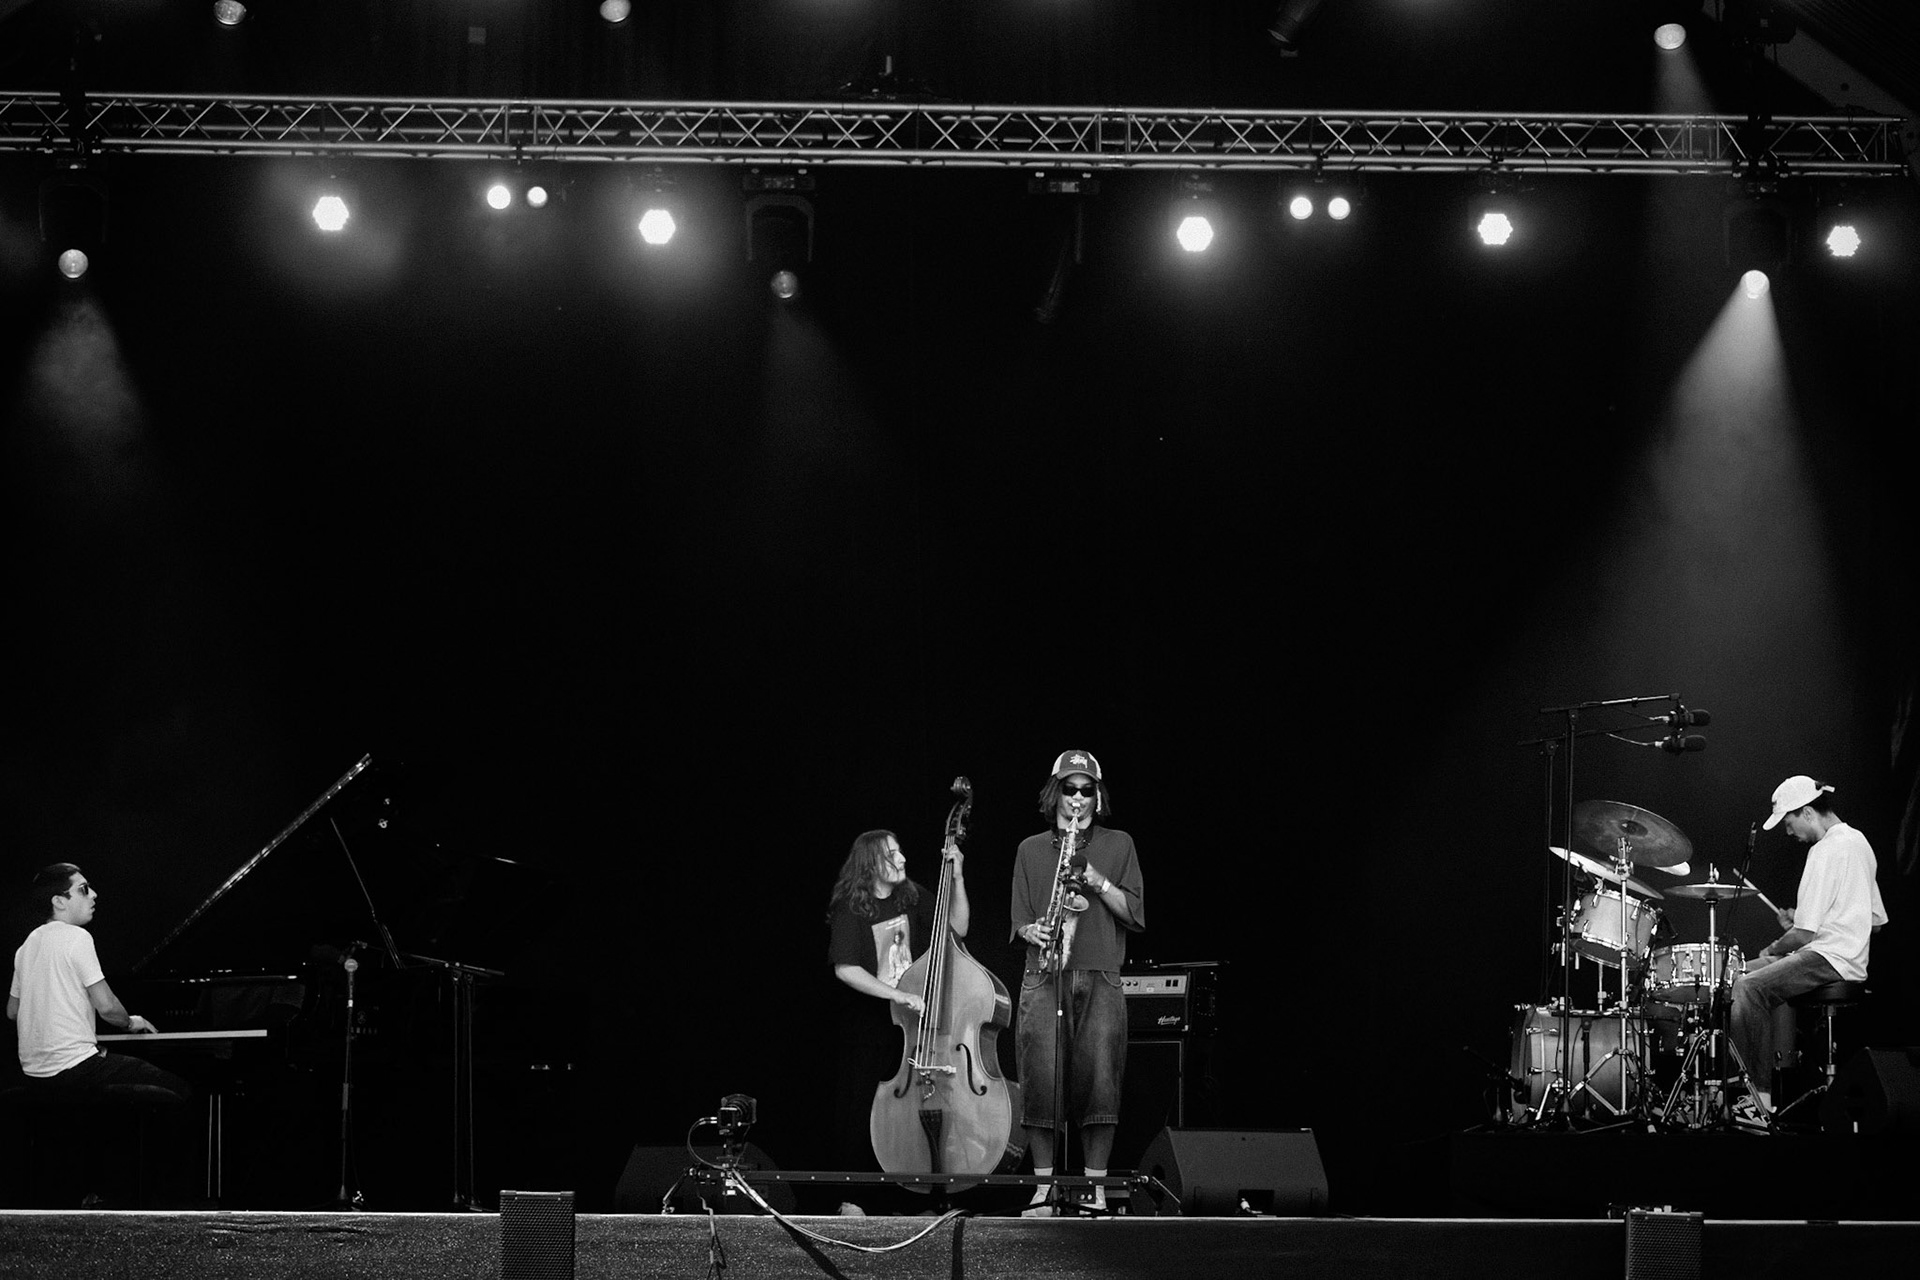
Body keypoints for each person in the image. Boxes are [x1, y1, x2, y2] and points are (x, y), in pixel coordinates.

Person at [1010, 749, 1144, 1215]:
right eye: (1069, 789)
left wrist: (1096, 880)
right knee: (1040, 1078)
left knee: (1101, 1081)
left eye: (1087, 790)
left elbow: (1134, 914)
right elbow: (1020, 921)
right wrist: (1033, 930)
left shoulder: (1119, 843)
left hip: (1101, 972)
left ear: (1097, 796)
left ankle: (1095, 1190)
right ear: (1055, 794)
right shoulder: (1029, 849)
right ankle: (1044, 1187)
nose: (1078, 798)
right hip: (1044, 973)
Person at [1729, 777, 1888, 1125]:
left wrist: (1774, 945)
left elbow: (1803, 934)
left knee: (1743, 985)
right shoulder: (1860, 842)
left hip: (1829, 959)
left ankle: (1756, 1099)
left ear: (1806, 812)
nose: (1789, 832)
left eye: (1789, 823)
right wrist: (1805, 925)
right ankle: (1752, 1089)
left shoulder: (1825, 849)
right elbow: (1873, 922)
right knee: (1740, 972)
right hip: (1845, 957)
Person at [825, 829, 968, 1214]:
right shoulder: (851, 907)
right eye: (892, 854)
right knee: (862, 1111)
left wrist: (956, 877)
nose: (902, 859)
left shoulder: (912, 895)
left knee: (911, 1112)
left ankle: (914, 1197)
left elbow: (957, 929)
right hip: (868, 1027)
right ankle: (853, 1198)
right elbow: (845, 968)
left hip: (909, 1028)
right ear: (871, 864)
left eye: (900, 851)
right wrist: (898, 994)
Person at [8, 863, 185, 1102]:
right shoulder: (77, 937)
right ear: (59, 901)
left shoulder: (25, 948)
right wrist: (132, 1022)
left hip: (34, 1075)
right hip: (76, 1069)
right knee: (179, 1088)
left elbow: (12, 1011)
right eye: (83, 889)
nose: (93, 894)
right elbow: (108, 1007)